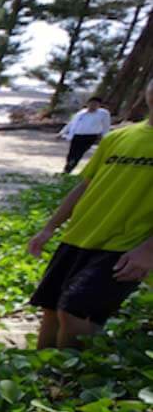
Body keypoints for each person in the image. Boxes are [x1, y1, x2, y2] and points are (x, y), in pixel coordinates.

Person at [27, 77, 153, 349]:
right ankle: (39, 375)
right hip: (78, 236)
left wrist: (148, 250)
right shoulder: (119, 137)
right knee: (50, 309)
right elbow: (85, 186)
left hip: (125, 247)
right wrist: (50, 228)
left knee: (74, 312)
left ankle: (68, 379)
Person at [58, 96, 112, 174]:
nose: (93, 106)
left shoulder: (103, 113)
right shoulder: (81, 113)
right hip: (77, 135)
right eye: (91, 104)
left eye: (96, 104)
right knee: (71, 154)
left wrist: (105, 138)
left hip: (89, 137)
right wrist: (62, 132)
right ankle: (67, 167)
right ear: (88, 104)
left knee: (78, 154)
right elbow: (72, 123)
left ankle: (68, 170)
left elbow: (106, 126)